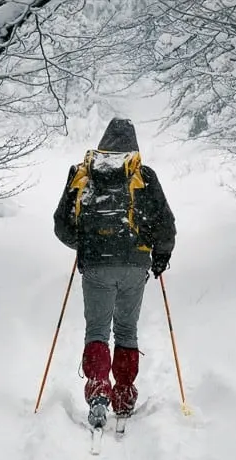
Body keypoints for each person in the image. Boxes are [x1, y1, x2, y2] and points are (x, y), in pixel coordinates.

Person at [53, 118, 176, 427]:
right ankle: (123, 396)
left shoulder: (84, 175)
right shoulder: (144, 176)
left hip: (96, 266)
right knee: (126, 330)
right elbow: (165, 224)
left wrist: (84, 244)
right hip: (135, 265)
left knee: (97, 331)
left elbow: (62, 225)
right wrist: (160, 257)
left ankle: (97, 393)